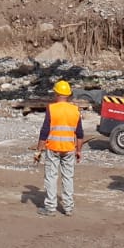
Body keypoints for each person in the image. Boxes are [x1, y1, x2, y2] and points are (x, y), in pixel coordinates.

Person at [34, 80, 84, 217]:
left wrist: (38, 150)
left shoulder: (52, 109)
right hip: (69, 149)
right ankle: (68, 208)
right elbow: (79, 134)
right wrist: (79, 151)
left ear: (56, 93)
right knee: (68, 177)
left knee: (51, 177)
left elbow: (44, 131)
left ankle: (50, 207)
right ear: (68, 95)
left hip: (53, 149)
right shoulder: (75, 110)